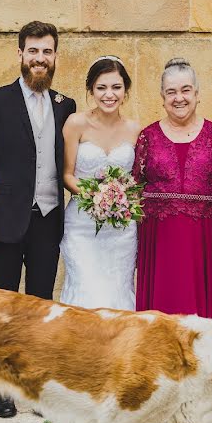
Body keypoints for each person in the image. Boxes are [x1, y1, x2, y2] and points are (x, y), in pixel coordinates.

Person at [0, 21, 77, 418]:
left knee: (41, 305)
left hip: (48, 221)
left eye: (47, 52)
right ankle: (2, 388)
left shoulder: (67, 105)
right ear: (20, 55)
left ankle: (38, 386)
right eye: (33, 51)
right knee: (4, 306)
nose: (40, 59)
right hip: (6, 220)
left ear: (55, 56)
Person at [133, 58, 212, 321]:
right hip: (158, 244)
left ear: (197, 94)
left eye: (186, 90)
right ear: (162, 97)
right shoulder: (147, 137)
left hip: (201, 243)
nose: (179, 98)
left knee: (201, 325)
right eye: (171, 92)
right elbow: (134, 189)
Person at [60, 56, 141, 310]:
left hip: (122, 229)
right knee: (86, 293)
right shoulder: (76, 123)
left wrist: (119, 198)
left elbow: (137, 179)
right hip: (82, 225)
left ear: (125, 89)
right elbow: (67, 174)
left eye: (116, 87)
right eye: (101, 88)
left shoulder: (135, 129)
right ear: (91, 90)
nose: (109, 95)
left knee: (117, 294)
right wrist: (96, 195)